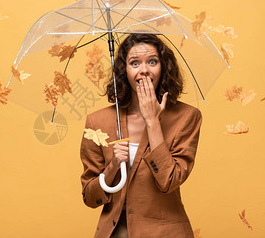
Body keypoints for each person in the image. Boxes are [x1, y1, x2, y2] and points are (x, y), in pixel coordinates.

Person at [80, 33, 203, 238]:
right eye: (134, 63)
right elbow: (90, 197)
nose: (144, 70)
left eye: (152, 61)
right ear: (124, 70)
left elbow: (168, 181)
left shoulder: (187, 117)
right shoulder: (97, 122)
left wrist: (152, 121)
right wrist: (112, 166)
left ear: (164, 67)